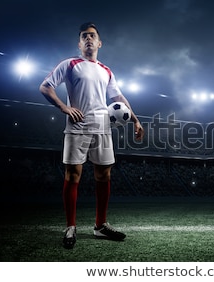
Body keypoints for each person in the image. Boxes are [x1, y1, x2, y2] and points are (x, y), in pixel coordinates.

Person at [39, 22, 144, 249]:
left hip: (103, 126)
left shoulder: (106, 70)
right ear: (79, 43)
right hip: (77, 126)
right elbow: (45, 87)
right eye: (84, 36)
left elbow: (119, 99)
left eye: (92, 36)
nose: (88, 39)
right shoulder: (70, 64)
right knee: (73, 174)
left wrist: (135, 120)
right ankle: (70, 227)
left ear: (99, 43)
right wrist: (63, 107)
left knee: (104, 174)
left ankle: (100, 226)